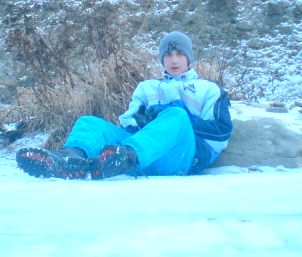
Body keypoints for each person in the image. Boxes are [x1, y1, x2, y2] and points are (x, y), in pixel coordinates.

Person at [16, 31, 233, 180]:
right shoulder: (146, 87)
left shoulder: (209, 89)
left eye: (180, 54)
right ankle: (70, 159)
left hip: (181, 158)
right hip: (140, 157)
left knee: (175, 115)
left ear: (188, 58)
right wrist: (141, 123)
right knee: (88, 122)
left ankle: (123, 158)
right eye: (168, 55)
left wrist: (167, 120)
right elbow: (127, 123)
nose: (174, 60)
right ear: (162, 59)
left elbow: (221, 132)